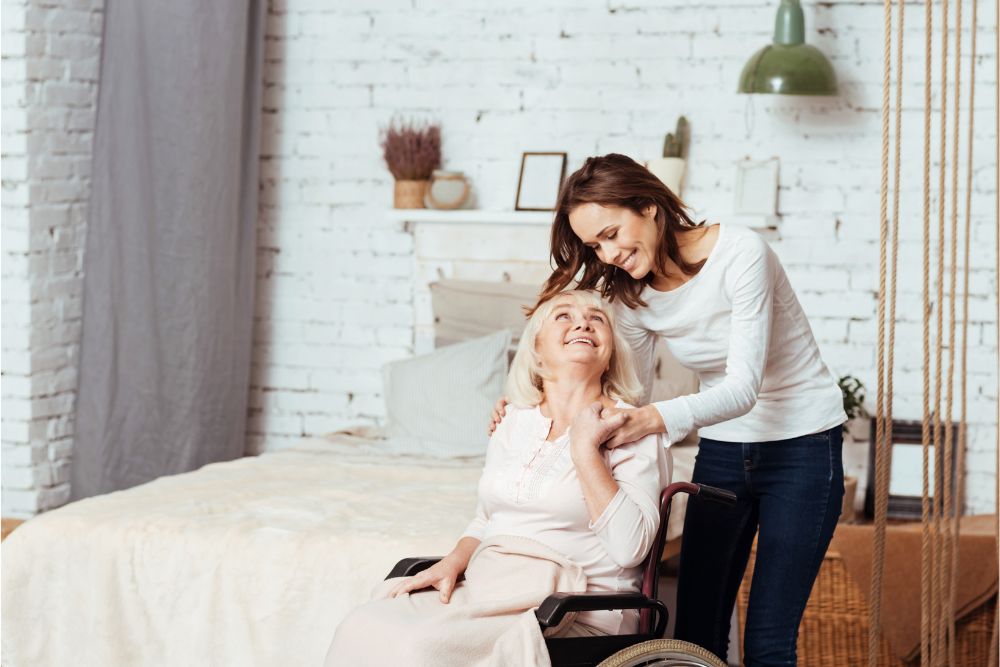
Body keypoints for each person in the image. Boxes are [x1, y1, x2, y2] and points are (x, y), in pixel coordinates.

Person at [491, 153, 846, 666]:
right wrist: (527, 413)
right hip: (724, 447)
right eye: (595, 245)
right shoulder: (632, 293)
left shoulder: (742, 253)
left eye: (612, 233)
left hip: (804, 447)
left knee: (768, 640)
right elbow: (626, 395)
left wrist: (652, 420)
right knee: (696, 634)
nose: (608, 253)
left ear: (651, 207)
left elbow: (742, 389)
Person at [325, 290, 670, 666]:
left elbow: (631, 547)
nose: (582, 323)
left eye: (596, 318)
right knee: (362, 625)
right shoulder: (513, 422)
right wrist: (453, 562)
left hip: (575, 608)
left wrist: (585, 450)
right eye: (564, 316)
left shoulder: (634, 427)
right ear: (536, 348)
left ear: (612, 352)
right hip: (492, 587)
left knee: (420, 649)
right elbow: (486, 518)